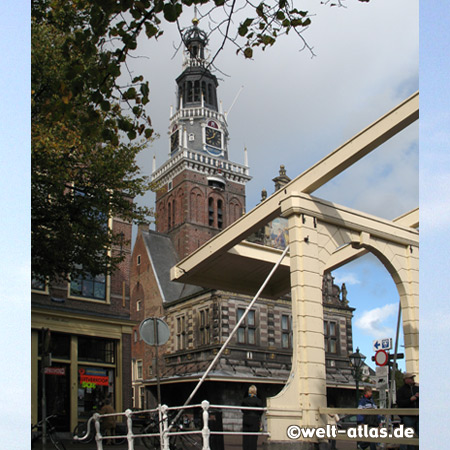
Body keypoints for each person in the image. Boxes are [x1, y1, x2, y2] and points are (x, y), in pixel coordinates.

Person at [396, 372, 419, 450]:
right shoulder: (401, 390)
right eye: (410, 378)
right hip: (408, 416)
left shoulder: (417, 388)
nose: (412, 379)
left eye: (412, 378)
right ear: (406, 380)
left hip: (418, 415)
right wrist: (410, 400)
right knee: (409, 435)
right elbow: (399, 403)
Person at [241, 385, 263, 450]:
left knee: (245, 437)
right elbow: (260, 411)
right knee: (253, 438)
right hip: (255, 419)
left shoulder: (245, 400)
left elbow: (242, 409)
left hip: (246, 419)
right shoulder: (258, 401)